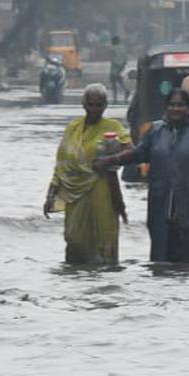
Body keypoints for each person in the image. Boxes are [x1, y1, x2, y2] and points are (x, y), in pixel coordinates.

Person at [103, 88, 189, 266]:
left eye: (180, 105)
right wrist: (112, 159)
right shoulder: (156, 131)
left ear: (188, 108)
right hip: (161, 204)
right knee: (162, 260)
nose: (176, 109)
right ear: (166, 107)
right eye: (172, 105)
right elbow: (139, 155)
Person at [43, 83, 130, 266]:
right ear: (84, 104)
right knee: (75, 239)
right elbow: (62, 164)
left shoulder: (112, 127)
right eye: (91, 104)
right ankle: (77, 282)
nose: (95, 109)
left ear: (105, 106)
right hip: (74, 194)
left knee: (102, 239)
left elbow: (131, 151)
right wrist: (51, 193)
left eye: (99, 105)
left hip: (102, 190)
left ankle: (102, 285)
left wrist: (109, 160)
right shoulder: (73, 128)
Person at [108, 35, 128, 102]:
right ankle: (126, 90)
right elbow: (125, 58)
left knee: (113, 82)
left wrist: (115, 65)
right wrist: (123, 65)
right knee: (119, 80)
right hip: (121, 66)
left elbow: (112, 58)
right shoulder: (123, 48)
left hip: (114, 67)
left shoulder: (112, 49)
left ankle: (115, 97)